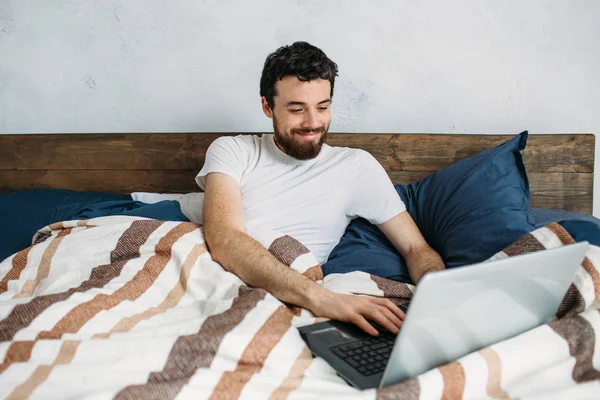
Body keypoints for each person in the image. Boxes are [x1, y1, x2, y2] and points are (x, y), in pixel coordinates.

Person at [196, 41, 445, 336]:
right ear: (267, 106)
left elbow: (416, 248)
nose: (312, 123)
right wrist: (321, 298)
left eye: (323, 107)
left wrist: (439, 296)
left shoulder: (356, 167)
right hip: (232, 280)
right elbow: (224, 238)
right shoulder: (233, 150)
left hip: (302, 288)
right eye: (297, 109)